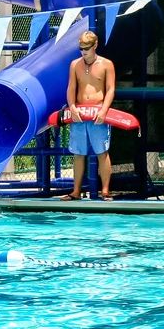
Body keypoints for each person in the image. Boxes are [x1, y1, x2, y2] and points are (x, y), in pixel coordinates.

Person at [62, 30, 116, 201]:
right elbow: (71, 88)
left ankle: (105, 191)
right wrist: (72, 107)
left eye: (87, 48)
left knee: (102, 152)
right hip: (79, 113)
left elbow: (110, 89)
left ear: (95, 45)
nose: (83, 51)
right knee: (78, 153)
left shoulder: (107, 64)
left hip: (98, 113)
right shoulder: (75, 64)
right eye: (81, 48)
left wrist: (104, 110)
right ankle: (76, 191)